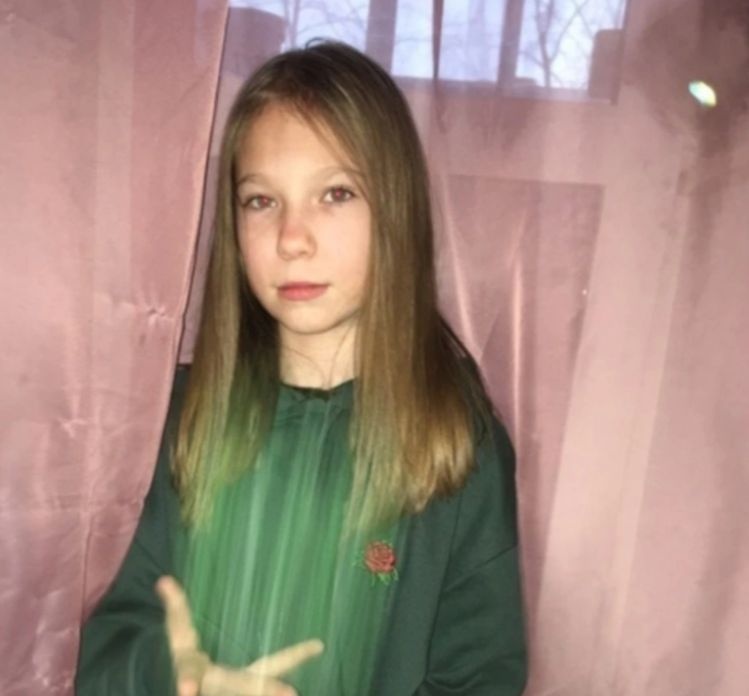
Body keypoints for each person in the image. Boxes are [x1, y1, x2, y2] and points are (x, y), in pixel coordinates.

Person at [76, 40, 527, 696]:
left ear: (396, 210)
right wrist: (175, 676)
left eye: (335, 193)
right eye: (261, 201)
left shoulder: (459, 443)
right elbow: (110, 643)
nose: (292, 238)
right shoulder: (177, 420)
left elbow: (479, 677)